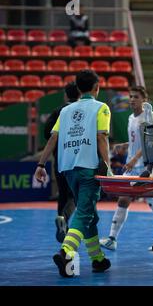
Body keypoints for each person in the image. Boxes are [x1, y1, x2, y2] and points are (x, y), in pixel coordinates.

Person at [34, 69, 111, 277]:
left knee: (90, 216)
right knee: (84, 213)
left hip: (68, 170)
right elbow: (102, 137)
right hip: (89, 169)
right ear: (97, 87)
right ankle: (65, 251)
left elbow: (53, 139)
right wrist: (108, 167)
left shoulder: (65, 111)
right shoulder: (101, 108)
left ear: (77, 88)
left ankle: (97, 259)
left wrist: (40, 165)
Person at [99, 86, 153, 251]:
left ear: (145, 100)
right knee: (123, 200)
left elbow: (149, 144)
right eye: (130, 97)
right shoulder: (130, 118)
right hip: (132, 167)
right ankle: (112, 239)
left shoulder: (148, 118)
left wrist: (134, 159)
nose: (132, 100)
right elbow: (136, 141)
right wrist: (124, 146)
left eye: (136, 97)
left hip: (146, 167)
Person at [44, 82, 80, 243]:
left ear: (66, 95)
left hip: (59, 157)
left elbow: (47, 133)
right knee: (75, 194)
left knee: (63, 193)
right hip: (77, 158)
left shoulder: (58, 110)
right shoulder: (83, 110)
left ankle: (61, 221)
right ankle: (64, 219)